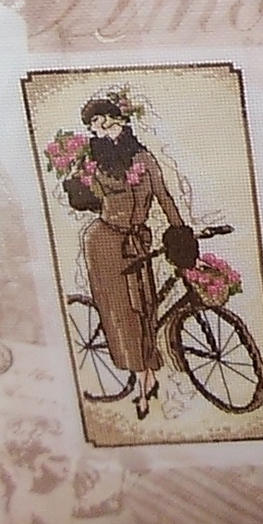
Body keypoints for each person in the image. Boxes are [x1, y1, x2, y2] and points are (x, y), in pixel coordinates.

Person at [63, 95, 198, 420]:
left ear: (120, 121)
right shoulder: (93, 163)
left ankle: (148, 375)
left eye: (105, 120)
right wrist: (77, 182)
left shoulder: (144, 158)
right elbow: (83, 199)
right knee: (123, 313)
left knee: (146, 306)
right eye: (94, 125)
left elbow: (163, 196)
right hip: (106, 243)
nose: (101, 128)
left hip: (137, 242)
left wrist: (180, 230)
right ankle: (140, 381)